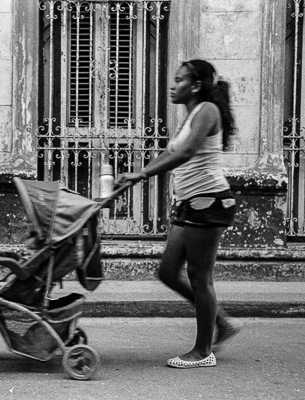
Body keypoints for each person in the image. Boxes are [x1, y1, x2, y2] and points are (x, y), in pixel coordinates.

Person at [117, 59, 240, 369]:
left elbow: (187, 152)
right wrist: (135, 176)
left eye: (179, 80)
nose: (173, 86)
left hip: (209, 201)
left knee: (200, 277)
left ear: (196, 85)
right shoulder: (192, 114)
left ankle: (203, 351)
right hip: (189, 203)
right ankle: (221, 322)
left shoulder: (207, 110)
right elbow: (172, 151)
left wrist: (142, 174)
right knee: (168, 272)